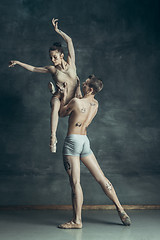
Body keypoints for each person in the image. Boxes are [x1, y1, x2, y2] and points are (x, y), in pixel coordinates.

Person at [58, 75, 131, 229]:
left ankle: (77, 221)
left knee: (75, 182)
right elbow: (82, 103)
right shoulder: (95, 104)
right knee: (101, 177)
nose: (83, 84)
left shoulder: (76, 102)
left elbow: (61, 113)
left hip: (73, 141)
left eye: (85, 84)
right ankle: (121, 209)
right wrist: (77, 87)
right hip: (85, 141)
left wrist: (63, 94)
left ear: (90, 89)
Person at [9, 18, 81, 153]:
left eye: (55, 57)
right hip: (60, 96)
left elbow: (69, 41)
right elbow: (34, 69)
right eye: (51, 58)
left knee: (80, 112)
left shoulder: (71, 62)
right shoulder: (52, 69)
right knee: (55, 104)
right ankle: (53, 137)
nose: (52, 60)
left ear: (61, 55)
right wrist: (18, 62)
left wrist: (57, 31)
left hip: (72, 98)